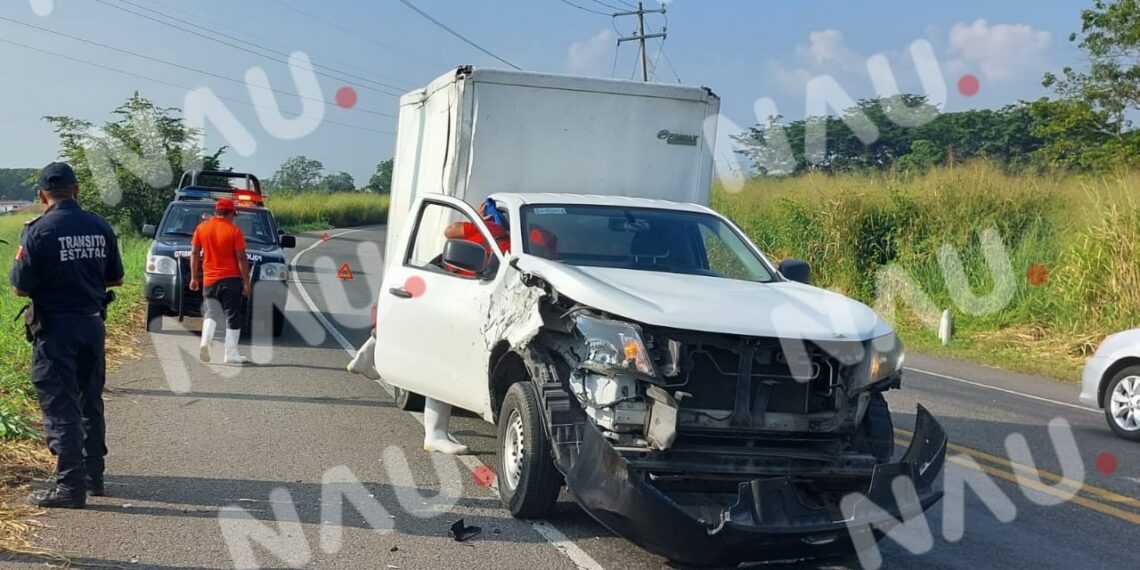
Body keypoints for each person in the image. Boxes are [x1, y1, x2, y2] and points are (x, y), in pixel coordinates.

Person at [9, 162, 124, 508]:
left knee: (60, 405)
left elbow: (18, 287)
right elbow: (116, 278)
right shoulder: (99, 226)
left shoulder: (38, 230)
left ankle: (70, 487)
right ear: (76, 190)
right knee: (90, 400)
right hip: (92, 324)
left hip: (55, 329)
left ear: (43, 194)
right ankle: (93, 478)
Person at [189, 197, 252, 364]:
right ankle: (231, 353)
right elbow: (242, 258)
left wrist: (194, 277)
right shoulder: (234, 231)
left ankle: (205, 342)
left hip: (209, 279)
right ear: (230, 213)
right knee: (232, 315)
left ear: (216, 212)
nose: (234, 218)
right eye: (233, 215)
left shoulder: (201, 228)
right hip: (231, 279)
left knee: (211, 312)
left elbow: (194, 253)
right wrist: (246, 282)